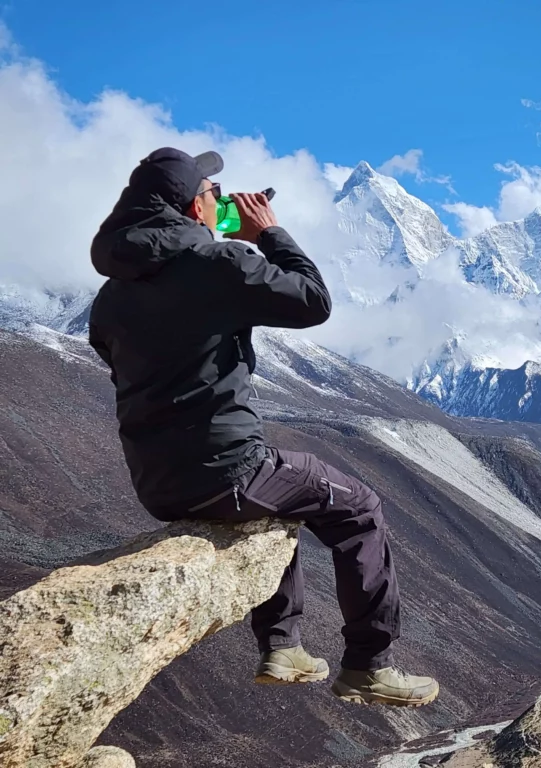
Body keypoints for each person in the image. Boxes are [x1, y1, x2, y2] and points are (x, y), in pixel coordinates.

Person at [88, 147, 439, 708]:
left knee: (280, 502)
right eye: (211, 194)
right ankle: (370, 666)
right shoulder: (220, 263)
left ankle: (282, 646)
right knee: (359, 507)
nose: (220, 201)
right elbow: (312, 302)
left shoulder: (109, 297)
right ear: (191, 205)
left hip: (157, 483)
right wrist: (268, 233)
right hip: (229, 466)